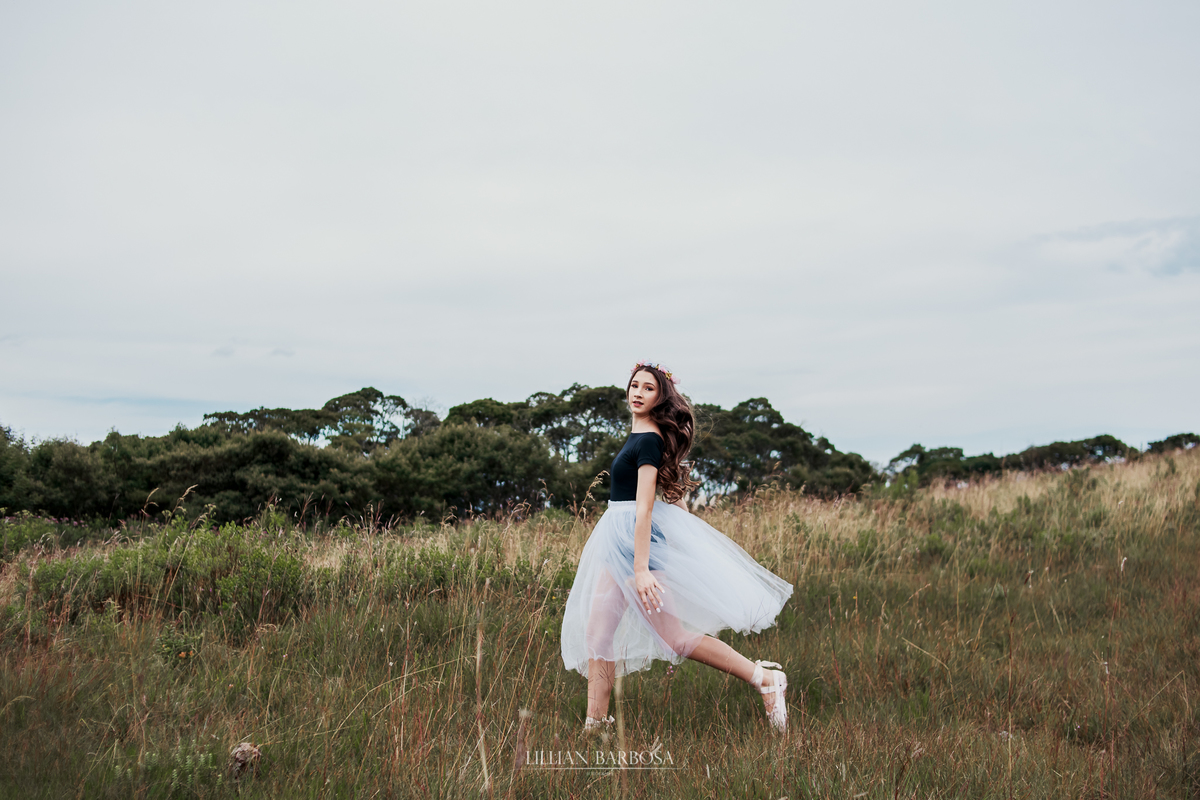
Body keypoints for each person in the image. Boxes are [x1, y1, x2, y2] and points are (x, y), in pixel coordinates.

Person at [559, 360, 795, 735]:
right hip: (616, 544)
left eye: (648, 388)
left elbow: (646, 506)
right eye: (635, 385)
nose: (638, 393)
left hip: (639, 548)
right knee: (598, 634)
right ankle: (596, 725)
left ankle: (764, 679)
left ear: (660, 396)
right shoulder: (640, 435)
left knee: (675, 638)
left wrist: (641, 569)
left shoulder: (649, 439)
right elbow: (671, 501)